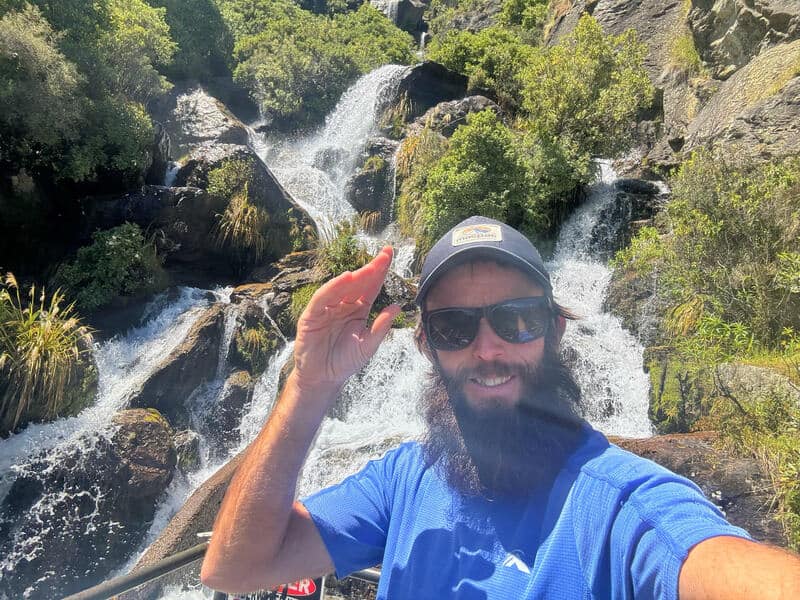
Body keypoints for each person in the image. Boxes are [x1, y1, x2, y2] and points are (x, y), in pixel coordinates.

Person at [201, 216, 800, 599]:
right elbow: (232, 569)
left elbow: (721, 569)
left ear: (556, 331)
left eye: (516, 320)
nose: (488, 350)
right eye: (456, 328)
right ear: (427, 346)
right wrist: (308, 386)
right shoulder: (403, 480)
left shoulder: (622, 505)